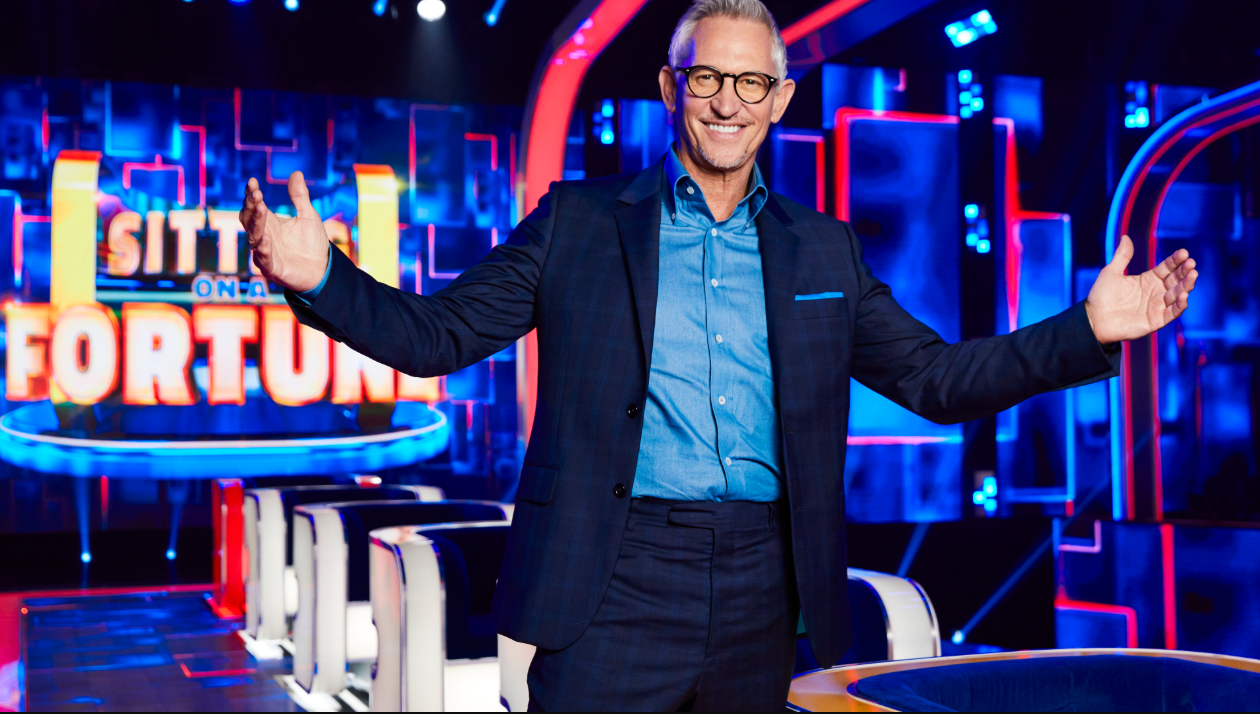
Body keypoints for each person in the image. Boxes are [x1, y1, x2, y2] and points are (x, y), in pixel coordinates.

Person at [239, 1, 1198, 709]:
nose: (727, 103)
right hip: (610, 579)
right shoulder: (577, 222)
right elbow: (436, 335)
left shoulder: (823, 249)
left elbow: (935, 380)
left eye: (750, 83)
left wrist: (1085, 330)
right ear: (671, 88)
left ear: (780, 99)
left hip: (764, 585)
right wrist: (322, 277)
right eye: (706, 78)